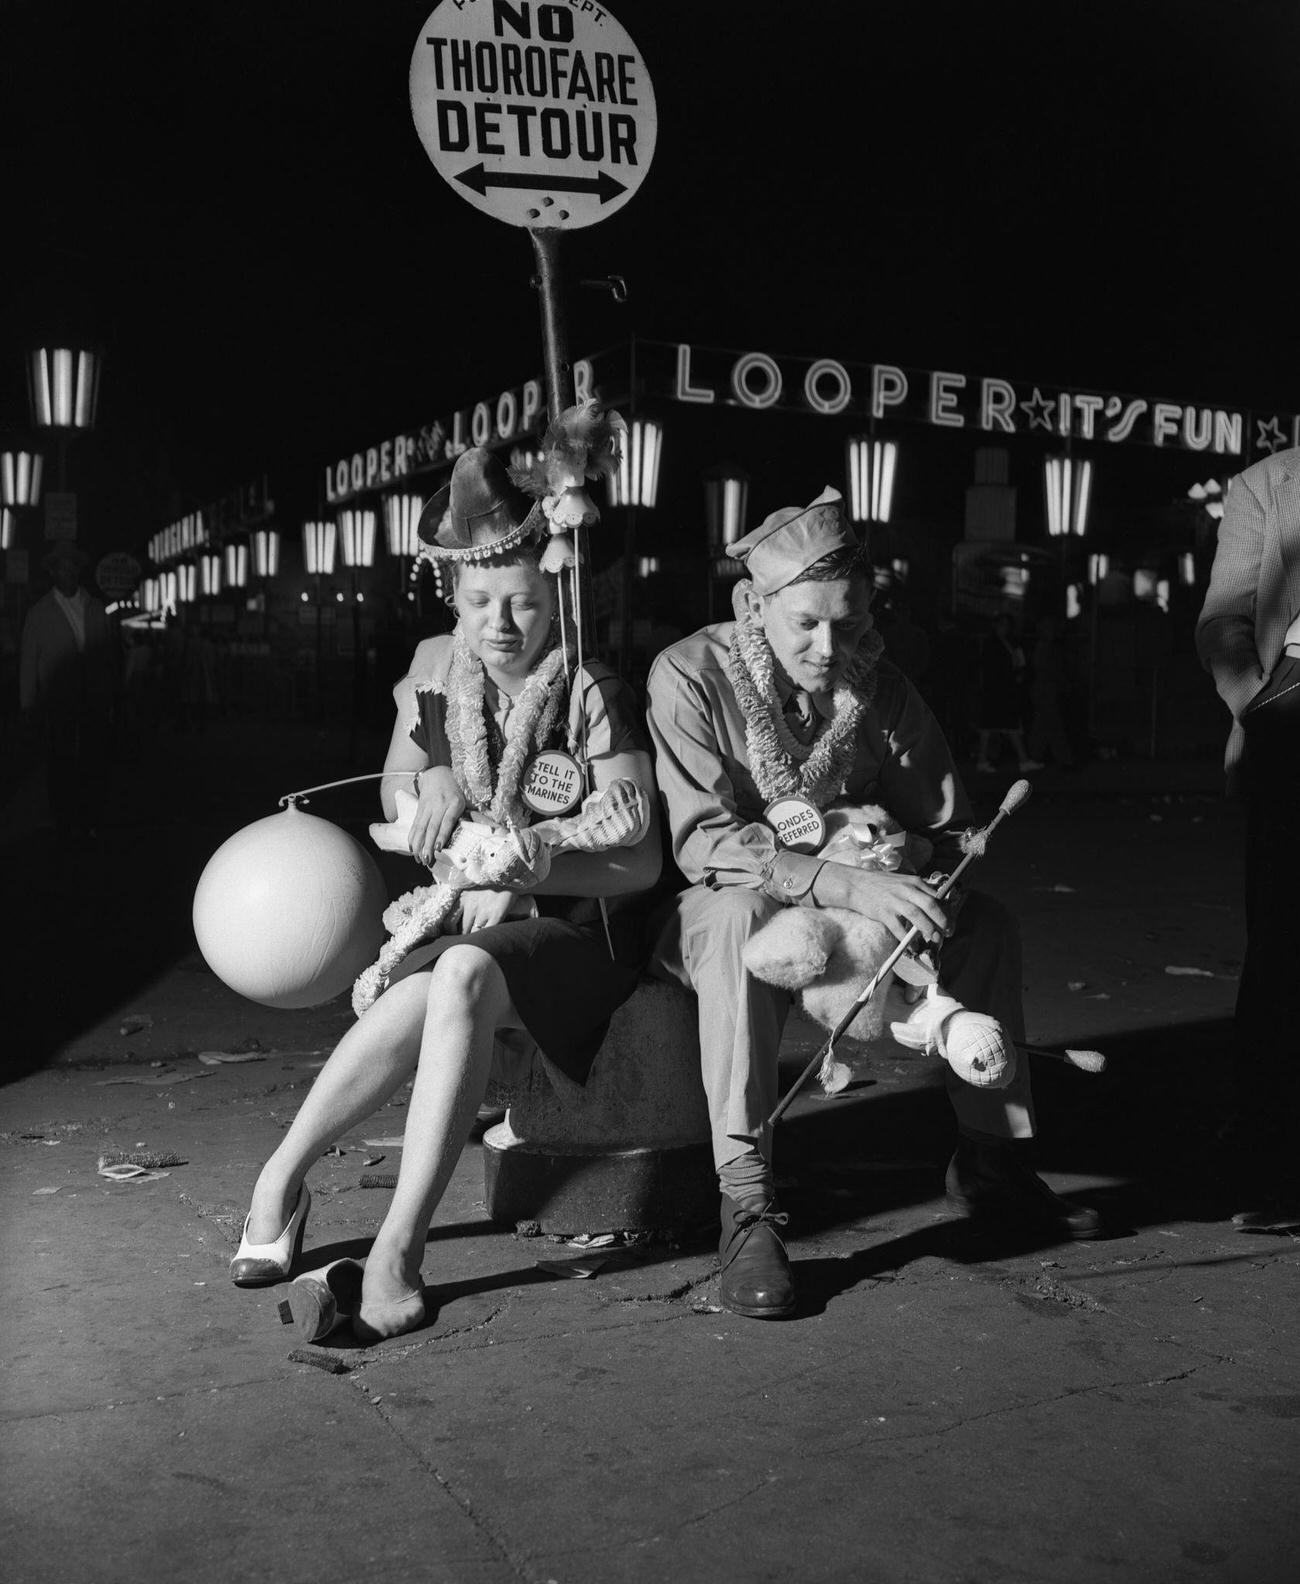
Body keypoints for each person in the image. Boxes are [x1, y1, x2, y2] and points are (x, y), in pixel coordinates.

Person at [231, 447, 662, 1341]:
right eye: (478, 603)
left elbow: (640, 863)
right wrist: (427, 785)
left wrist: (534, 868)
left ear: (559, 595)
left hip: (576, 936)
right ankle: (282, 1177)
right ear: (450, 595)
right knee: (440, 981)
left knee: (460, 977)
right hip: (467, 917)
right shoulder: (436, 668)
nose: (500, 625)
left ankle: (399, 1248)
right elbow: (396, 794)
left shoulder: (592, 688)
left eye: (524, 604)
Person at [646, 486, 1100, 1321]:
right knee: (743, 926)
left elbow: (946, 822)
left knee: (985, 923)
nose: (831, 646)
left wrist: (921, 880)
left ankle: (991, 1162)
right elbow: (705, 842)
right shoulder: (689, 674)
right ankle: (747, 1208)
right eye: (807, 624)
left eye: (850, 622)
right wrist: (845, 882)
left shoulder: (877, 686)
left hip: (858, 895)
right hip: (725, 902)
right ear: (753, 604)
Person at [1195, 446, 1300, 1232]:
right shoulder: (1269, 483)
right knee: (1283, 944)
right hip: (1291, 723)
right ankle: (1269, 1148)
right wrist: (1258, 708)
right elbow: (1225, 619)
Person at [19, 540, 118, 841]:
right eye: (61, 567)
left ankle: (90, 819)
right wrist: (28, 706)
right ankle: (64, 820)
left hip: (94, 698)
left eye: (72, 566)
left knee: (93, 761)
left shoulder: (96, 607)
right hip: (58, 700)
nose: (68, 572)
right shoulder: (39, 613)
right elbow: (28, 661)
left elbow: (109, 656)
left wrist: (112, 696)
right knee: (60, 762)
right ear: (53, 573)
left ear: (78, 571)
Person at [974, 613, 1042, 774]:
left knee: (996, 726)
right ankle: (1021, 760)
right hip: (998, 690)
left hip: (1002, 690)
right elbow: (994, 668)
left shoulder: (1008, 642)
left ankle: (985, 760)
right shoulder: (992, 643)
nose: (1005, 627)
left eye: (1007, 624)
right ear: (996, 625)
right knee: (1005, 725)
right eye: (1002, 624)